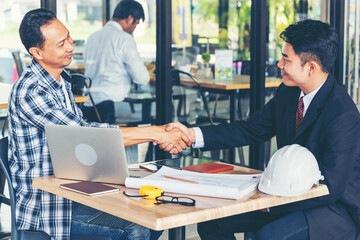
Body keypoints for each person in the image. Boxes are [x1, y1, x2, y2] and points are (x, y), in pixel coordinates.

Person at [165, 19, 360, 239]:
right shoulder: (288, 93)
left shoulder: (343, 115)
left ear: (311, 67)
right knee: (210, 220)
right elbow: (250, 129)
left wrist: (270, 204)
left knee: (268, 235)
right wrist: (192, 135)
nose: (279, 64)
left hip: (330, 210)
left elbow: (330, 189)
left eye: (286, 59)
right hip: (285, 196)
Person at [7, 8, 191, 240]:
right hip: (49, 205)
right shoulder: (31, 90)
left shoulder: (61, 80)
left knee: (157, 212)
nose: (71, 47)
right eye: (61, 43)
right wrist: (157, 133)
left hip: (75, 190)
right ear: (37, 52)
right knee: (139, 226)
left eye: (69, 37)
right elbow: (84, 135)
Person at [83, 0, 154, 124]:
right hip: (112, 106)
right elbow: (141, 78)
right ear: (130, 18)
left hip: (89, 103)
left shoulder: (92, 37)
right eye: (135, 24)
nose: (134, 29)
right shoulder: (124, 39)